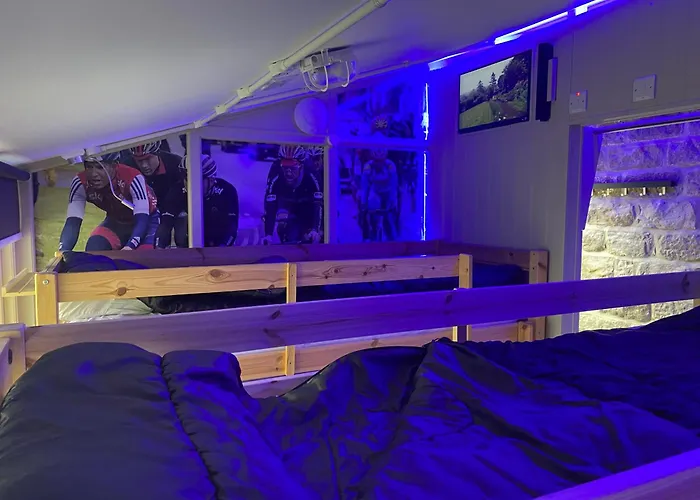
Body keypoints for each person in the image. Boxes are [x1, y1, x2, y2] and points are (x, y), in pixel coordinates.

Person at [58, 152, 158, 252]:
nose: (94, 174)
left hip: (147, 221)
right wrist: (63, 250)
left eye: (100, 167)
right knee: (94, 248)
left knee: (143, 256)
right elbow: (73, 221)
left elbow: (142, 218)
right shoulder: (80, 182)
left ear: (114, 166)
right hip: (116, 222)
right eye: (89, 167)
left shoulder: (132, 177)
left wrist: (131, 245)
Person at [125, 141, 188, 248]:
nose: (144, 165)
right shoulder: (128, 166)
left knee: (180, 237)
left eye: (148, 159)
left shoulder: (175, 164)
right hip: (145, 210)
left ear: (158, 154)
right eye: (139, 161)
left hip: (174, 207)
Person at [262, 145, 323, 245]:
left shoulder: (311, 171)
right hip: (287, 203)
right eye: (285, 167)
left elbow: (318, 203)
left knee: (316, 236)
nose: (288, 172)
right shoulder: (276, 169)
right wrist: (268, 234)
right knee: (285, 229)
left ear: (301, 166)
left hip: (308, 205)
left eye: (293, 168)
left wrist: (315, 229)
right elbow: (270, 204)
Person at [198, 155, 239, 247]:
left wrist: (222, 247)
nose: (190, 184)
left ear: (211, 180)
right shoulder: (180, 189)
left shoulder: (228, 191)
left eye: (198, 180)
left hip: (217, 244)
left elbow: (232, 227)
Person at [360, 148, 399, 241]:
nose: (379, 164)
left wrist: (394, 199)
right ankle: (371, 235)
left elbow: (394, 184)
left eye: (381, 161)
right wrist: (364, 201)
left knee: (389, 218)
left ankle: (392, 239)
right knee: (372, 215)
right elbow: (365, 184)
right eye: (376, 161)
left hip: (388, 191)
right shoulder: (368, 166)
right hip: (375, 191)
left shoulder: (390, 165)